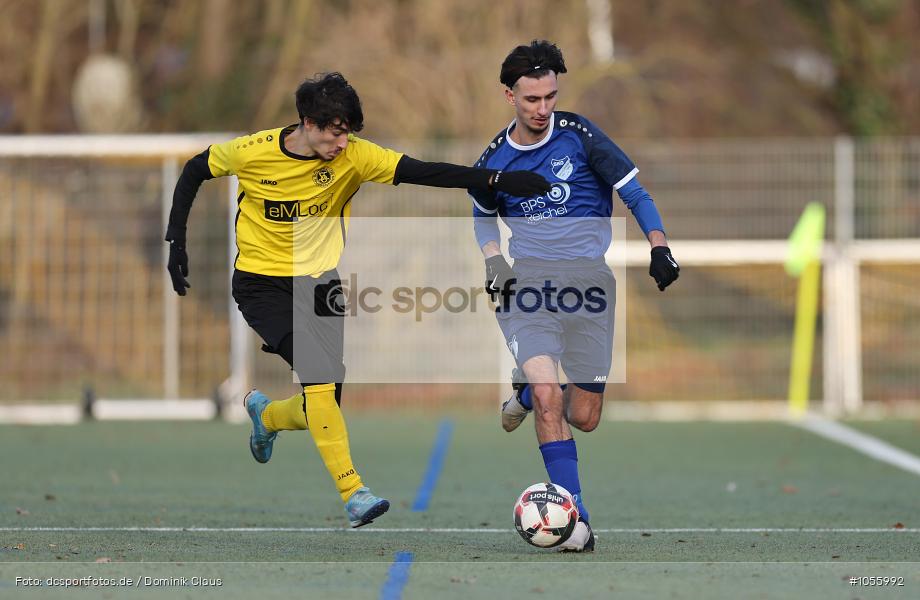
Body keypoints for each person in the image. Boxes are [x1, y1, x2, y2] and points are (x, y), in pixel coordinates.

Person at [165, 72, 550, 528]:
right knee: (319, 378)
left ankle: (266, 415)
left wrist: (497, 179)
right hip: (261, 284)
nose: (341, 142)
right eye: (333, 131)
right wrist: (176, 241)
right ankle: (354, 492)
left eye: (347, 132)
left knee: (320, 403)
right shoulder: (253, 151)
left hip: (321, 287)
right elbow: (194, 169)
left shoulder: (354, 158)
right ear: (307, 122)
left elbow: (424, 171)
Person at [470, 41, 680, 551]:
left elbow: (634, 191)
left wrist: (660, 247)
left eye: (550, 97)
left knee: (583, 417)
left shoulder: (582, 136)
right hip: (530, 287)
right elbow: (481, 213)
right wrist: (494, 259)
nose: (543, 110)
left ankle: (522, 393)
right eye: (531, 100)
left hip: (589, 287)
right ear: (509, 97)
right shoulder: (494, 158)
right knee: (550, 396)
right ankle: (575, 522)